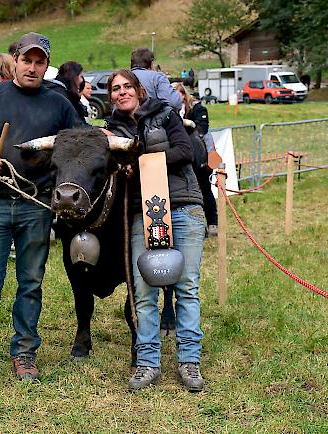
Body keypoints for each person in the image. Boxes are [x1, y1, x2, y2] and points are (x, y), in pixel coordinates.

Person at [0, 32, 79, 383]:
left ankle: (24, 353)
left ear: (47, 66)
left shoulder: (59, 104)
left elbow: (79, 145)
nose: (33, 68)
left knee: (30, 282)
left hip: (35, 204)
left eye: (40, 62)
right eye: (27, 61)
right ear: (16, 60)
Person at [105, 69, 206, 392]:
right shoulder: (111, 129)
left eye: (126, 87)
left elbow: (184, 151)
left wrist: (143, 157)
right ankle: (147, 362)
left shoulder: (165, 113)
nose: (121, 93)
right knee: (143, 288)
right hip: (142, 212)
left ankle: (189, 361)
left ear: (138, 89)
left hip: (183, 204)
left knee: (187, 286)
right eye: (115, 89)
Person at [176, 83, 217, 236]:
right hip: (181, 155)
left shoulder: (196, 109)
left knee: (204, 188)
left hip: (199, 154)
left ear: (183, 94)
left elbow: (202, 128)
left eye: (177, 94)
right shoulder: (169, 110)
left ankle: (213, 222)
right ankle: (195, 225)